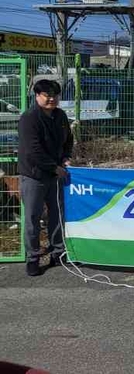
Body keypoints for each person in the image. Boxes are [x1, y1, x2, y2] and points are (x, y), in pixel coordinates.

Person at [17, 79, 73, 276]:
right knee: (33, 217)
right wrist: (53, 167)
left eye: (55, 96)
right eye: (47, 95)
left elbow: (68, 139)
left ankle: (58, 252)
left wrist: (66, 157)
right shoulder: (29, 118)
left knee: (57, 215)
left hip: (56, 174)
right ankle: (33, 258)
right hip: (34, 175)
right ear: (37, 96)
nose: (51, 99)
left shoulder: (60, 115)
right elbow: (33, 150)